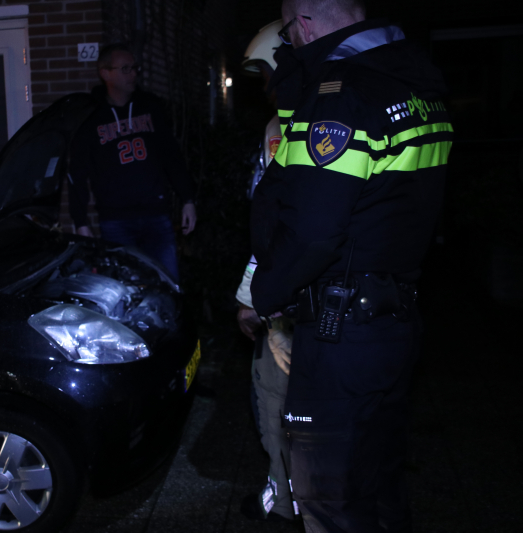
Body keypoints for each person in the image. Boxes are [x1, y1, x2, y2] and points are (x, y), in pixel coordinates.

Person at [249, 0, 453, 531]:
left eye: (290, 31)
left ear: (307, 23)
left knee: (332, 503)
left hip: (342, 335)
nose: (291, 43)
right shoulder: (416, 83)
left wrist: (263, 294)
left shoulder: (343, 93)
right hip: (395, 322)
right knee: (379, 493)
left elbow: (313, 229)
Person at [235, 19, 298, 524]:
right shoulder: (275, 130)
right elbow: (264, 223)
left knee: (287, 402)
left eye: (264, 73)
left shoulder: (313, 126)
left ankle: (298, 496)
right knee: (270, 393)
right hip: (281, 297)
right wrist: (248, 294)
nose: (263, 86)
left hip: (305, 301)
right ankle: (283, 487)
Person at [68, 43, 197, 280]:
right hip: (116, 220)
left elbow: (171, 155)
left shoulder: (150, 107)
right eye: (125, 68)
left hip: (155, 215)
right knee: (124, 287)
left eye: (134, 68)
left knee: (166, 283)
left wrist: (187, 198)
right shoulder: (90, 117)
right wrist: (80, 222)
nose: (133, 74)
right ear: (105, 73)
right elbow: (77, 170)